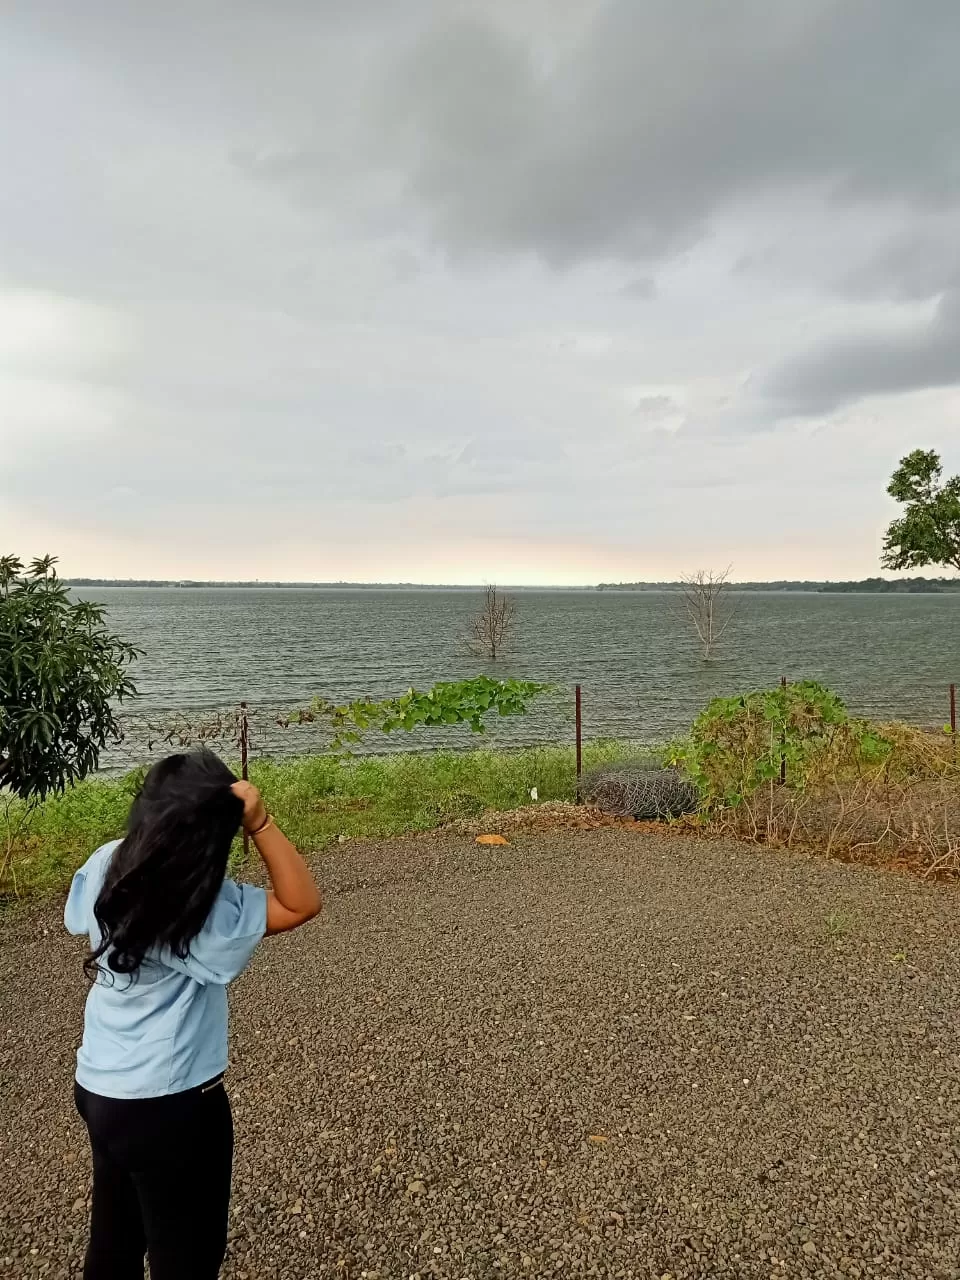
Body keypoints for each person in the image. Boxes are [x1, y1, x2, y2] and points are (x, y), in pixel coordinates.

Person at [64, 749, 323, 1280]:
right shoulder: (203, 906)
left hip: (100, 1086)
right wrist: (262, 822)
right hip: (172, 1104)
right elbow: (301, 903)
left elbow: (76, 920)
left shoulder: (107, 861)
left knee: (115, 1237)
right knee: (186, 1255)